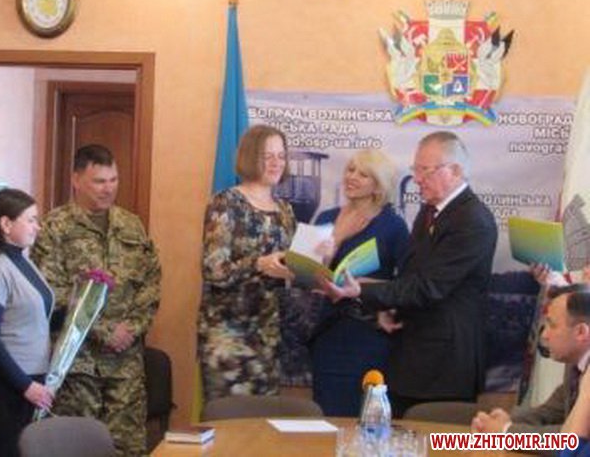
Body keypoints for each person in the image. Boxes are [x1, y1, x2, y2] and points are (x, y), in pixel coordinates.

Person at [320, 131, 497, 417]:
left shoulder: (473, 221)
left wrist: (361, 290)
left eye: (425, 170)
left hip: (444, 364)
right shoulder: (430, 211)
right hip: (413, 354)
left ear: (454, 171)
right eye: (416, 169)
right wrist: (390, 307)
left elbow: (429, 286)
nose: (416, 179)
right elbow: (411, 273)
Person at [32, 144, 161, 457]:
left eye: (113, 180)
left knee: (128, 449)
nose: (108, 189)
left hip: (125, 365)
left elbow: (151, 281)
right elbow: (51, 290)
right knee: (78, 449)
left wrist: (132, 327)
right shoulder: (54, 227)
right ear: (76, 180)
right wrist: (104, 330)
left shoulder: (131, 225)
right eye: (99, 181)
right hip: (79, 366)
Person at [197, 124, 296, 402]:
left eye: (281, 156)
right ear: (251, 158)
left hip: (269, 334)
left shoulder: (286, 211)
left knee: (263, 421)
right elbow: (213, 270)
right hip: (228, 335)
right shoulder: (226, 203)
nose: (276, 163)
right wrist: (259, 263)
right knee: (230, 422)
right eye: (268, 156)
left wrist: (311, 260)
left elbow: (290, 265)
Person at [309, 149, 410, 416]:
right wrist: (338, 236)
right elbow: (308, 273)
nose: (352, 177)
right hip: (329, 331)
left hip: (370, 334)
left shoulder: (394, 226)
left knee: (367, 415)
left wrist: (375, 294)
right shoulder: (326, 218)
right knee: (329, 413)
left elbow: (408, 283)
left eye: (363, 174)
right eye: (351, 169)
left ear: (378, 185)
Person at [0, 189, 54, 457]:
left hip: (30, 382)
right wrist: (26, 386)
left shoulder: (23, 260)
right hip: (4, 386)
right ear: (6, 224)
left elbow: (38, 317)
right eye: (31, 220)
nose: (37, 227)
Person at [472, 284, 590, 445]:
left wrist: (506, 432)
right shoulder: (575, 365)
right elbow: (549, 413)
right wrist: (504, 421)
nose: (544, 335)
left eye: (552, 325)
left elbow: (573, 439)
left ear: (581, 332)